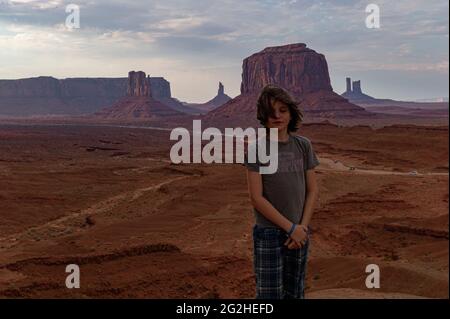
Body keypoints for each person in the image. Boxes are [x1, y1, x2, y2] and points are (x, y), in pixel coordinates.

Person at [243, 84, 320, 299]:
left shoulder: (303, 145)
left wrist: (301, 228)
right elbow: (256, 199)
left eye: (283, 110)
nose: (277, 116)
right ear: (263, 116)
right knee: (269, 296)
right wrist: (290, 228)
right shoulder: (257, 149)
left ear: (291, 113)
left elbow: (312, 190)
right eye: (270, 112)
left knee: (295, 292)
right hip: (269, 233)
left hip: (299, 233)